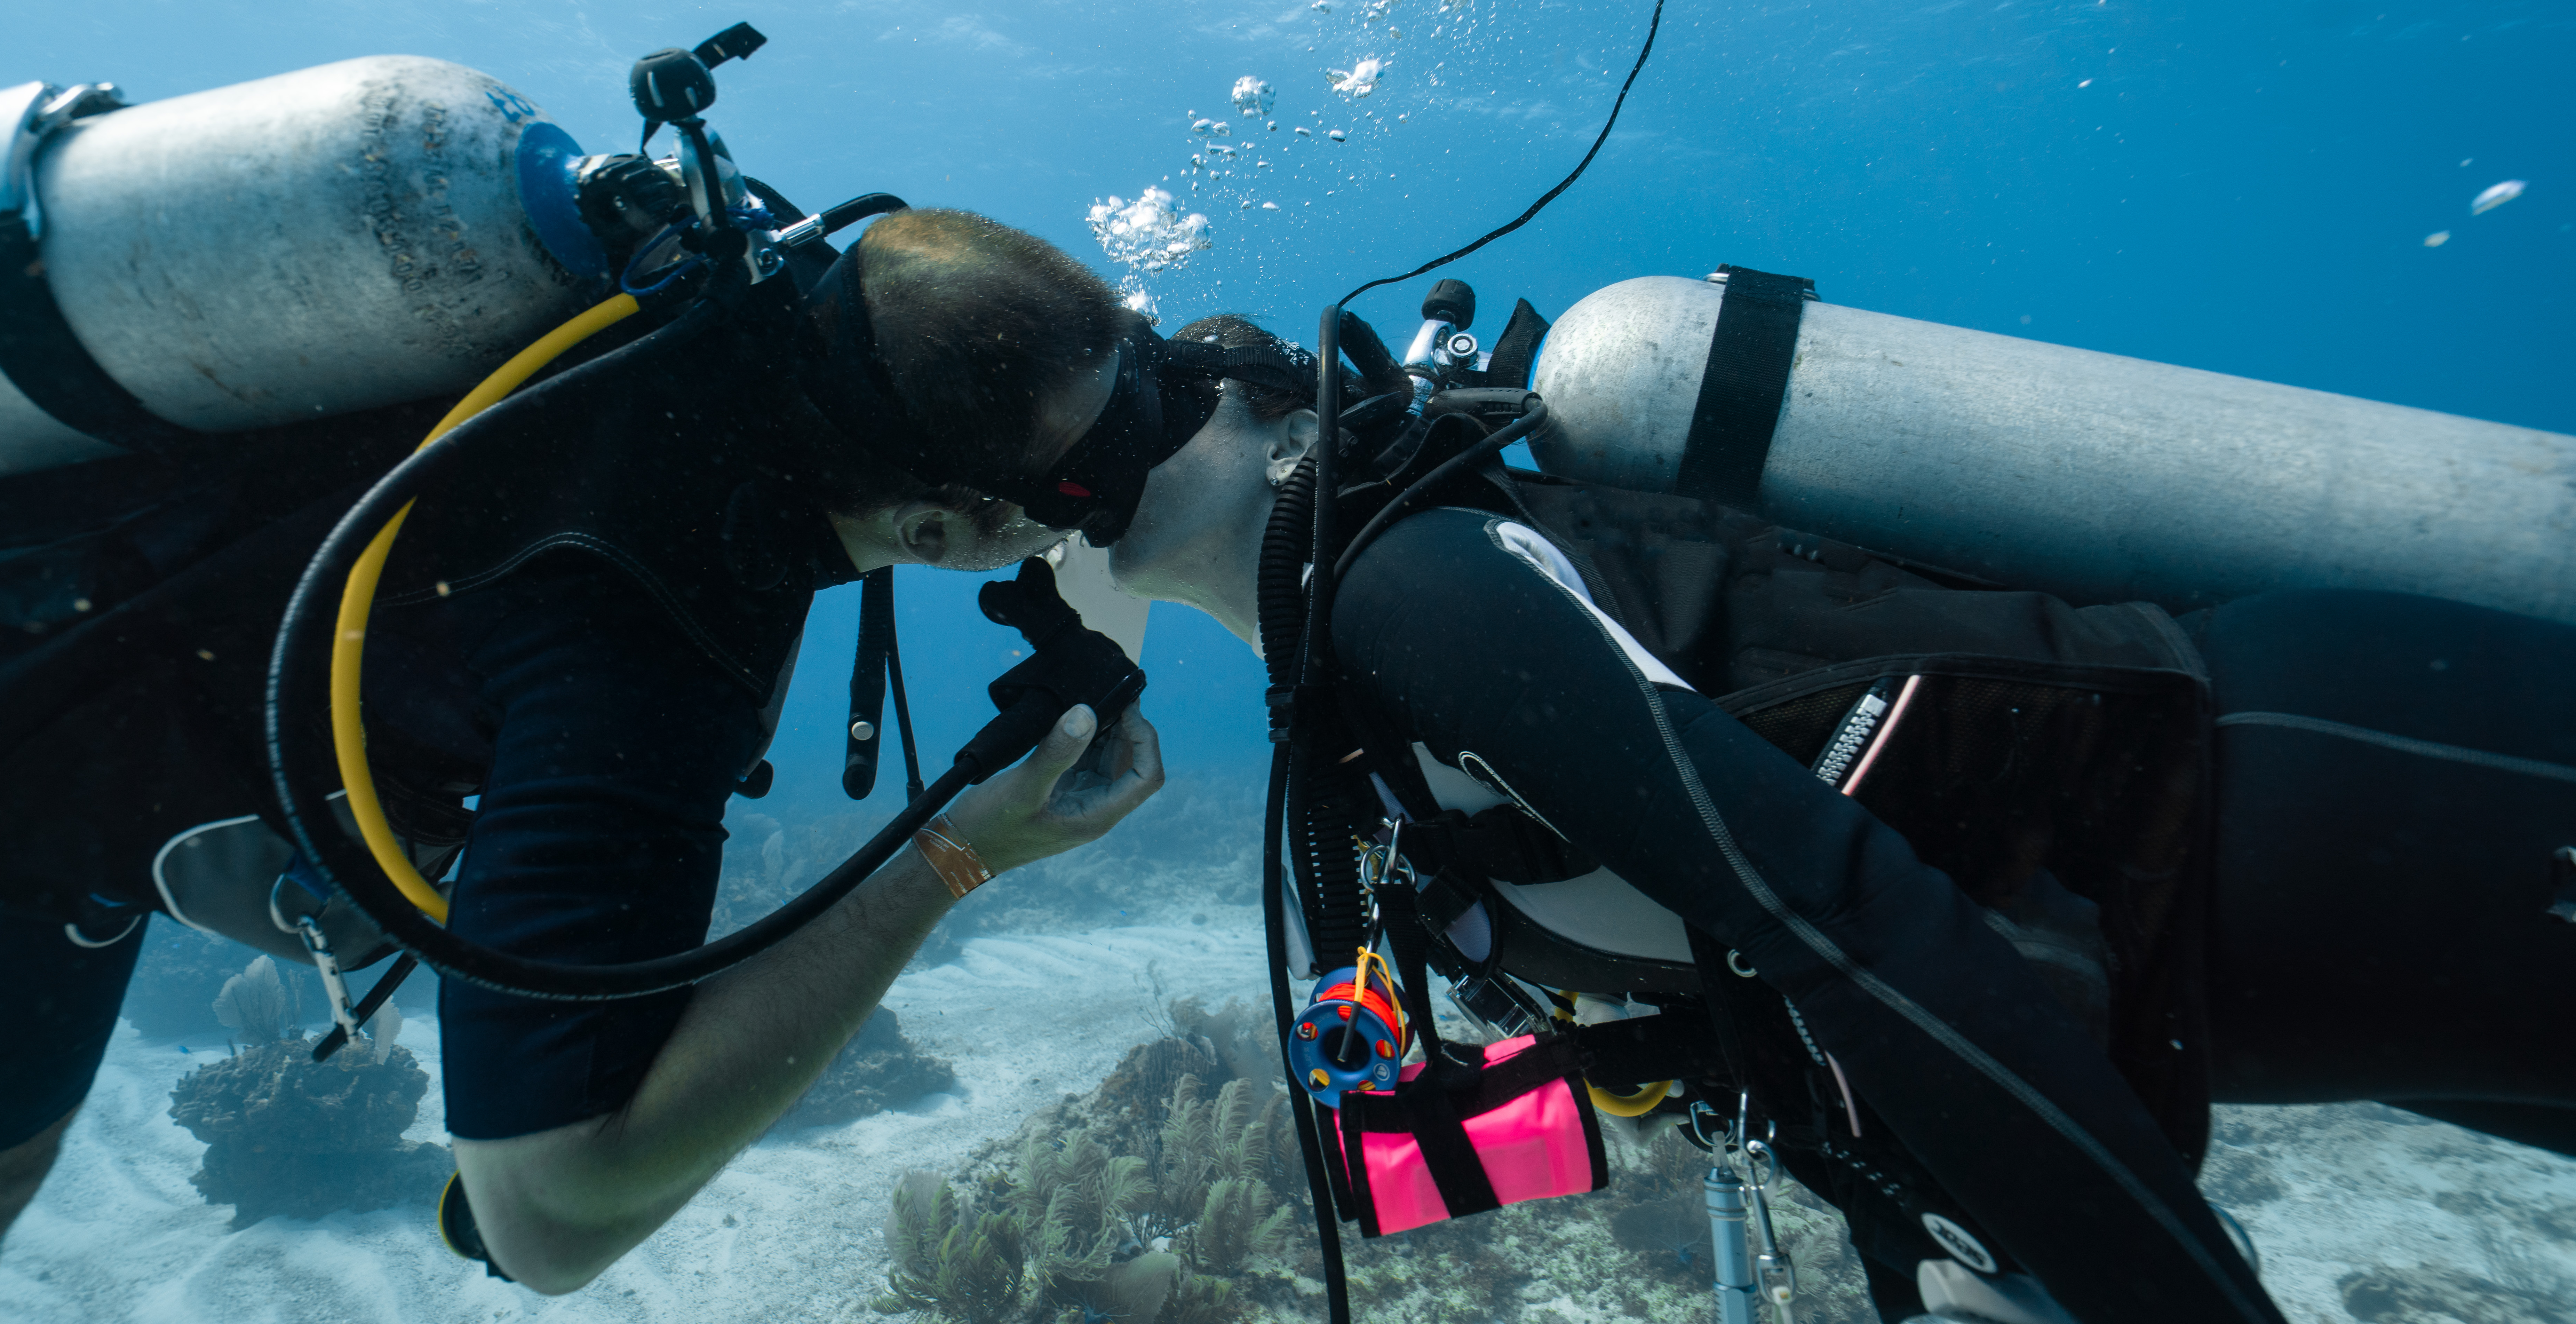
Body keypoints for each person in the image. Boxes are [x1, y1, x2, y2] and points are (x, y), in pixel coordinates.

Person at [0, 199, 1164, 1320]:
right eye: (1064, 496)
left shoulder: (715, 305)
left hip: (34, 577)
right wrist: (958, 854)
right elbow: (545, 1215)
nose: (1094, 510)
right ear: (938, 532)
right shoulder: (648, 631)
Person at [1091, 310, 2574, 1324]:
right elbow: (1765, 997)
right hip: (2253, 947)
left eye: (1150, 397)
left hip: (2298, 785)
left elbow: (1842, 914)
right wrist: (1933, 1238)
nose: (1098, 468)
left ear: (1267, 409)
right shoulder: (1353, 719)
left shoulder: (1411, 588)